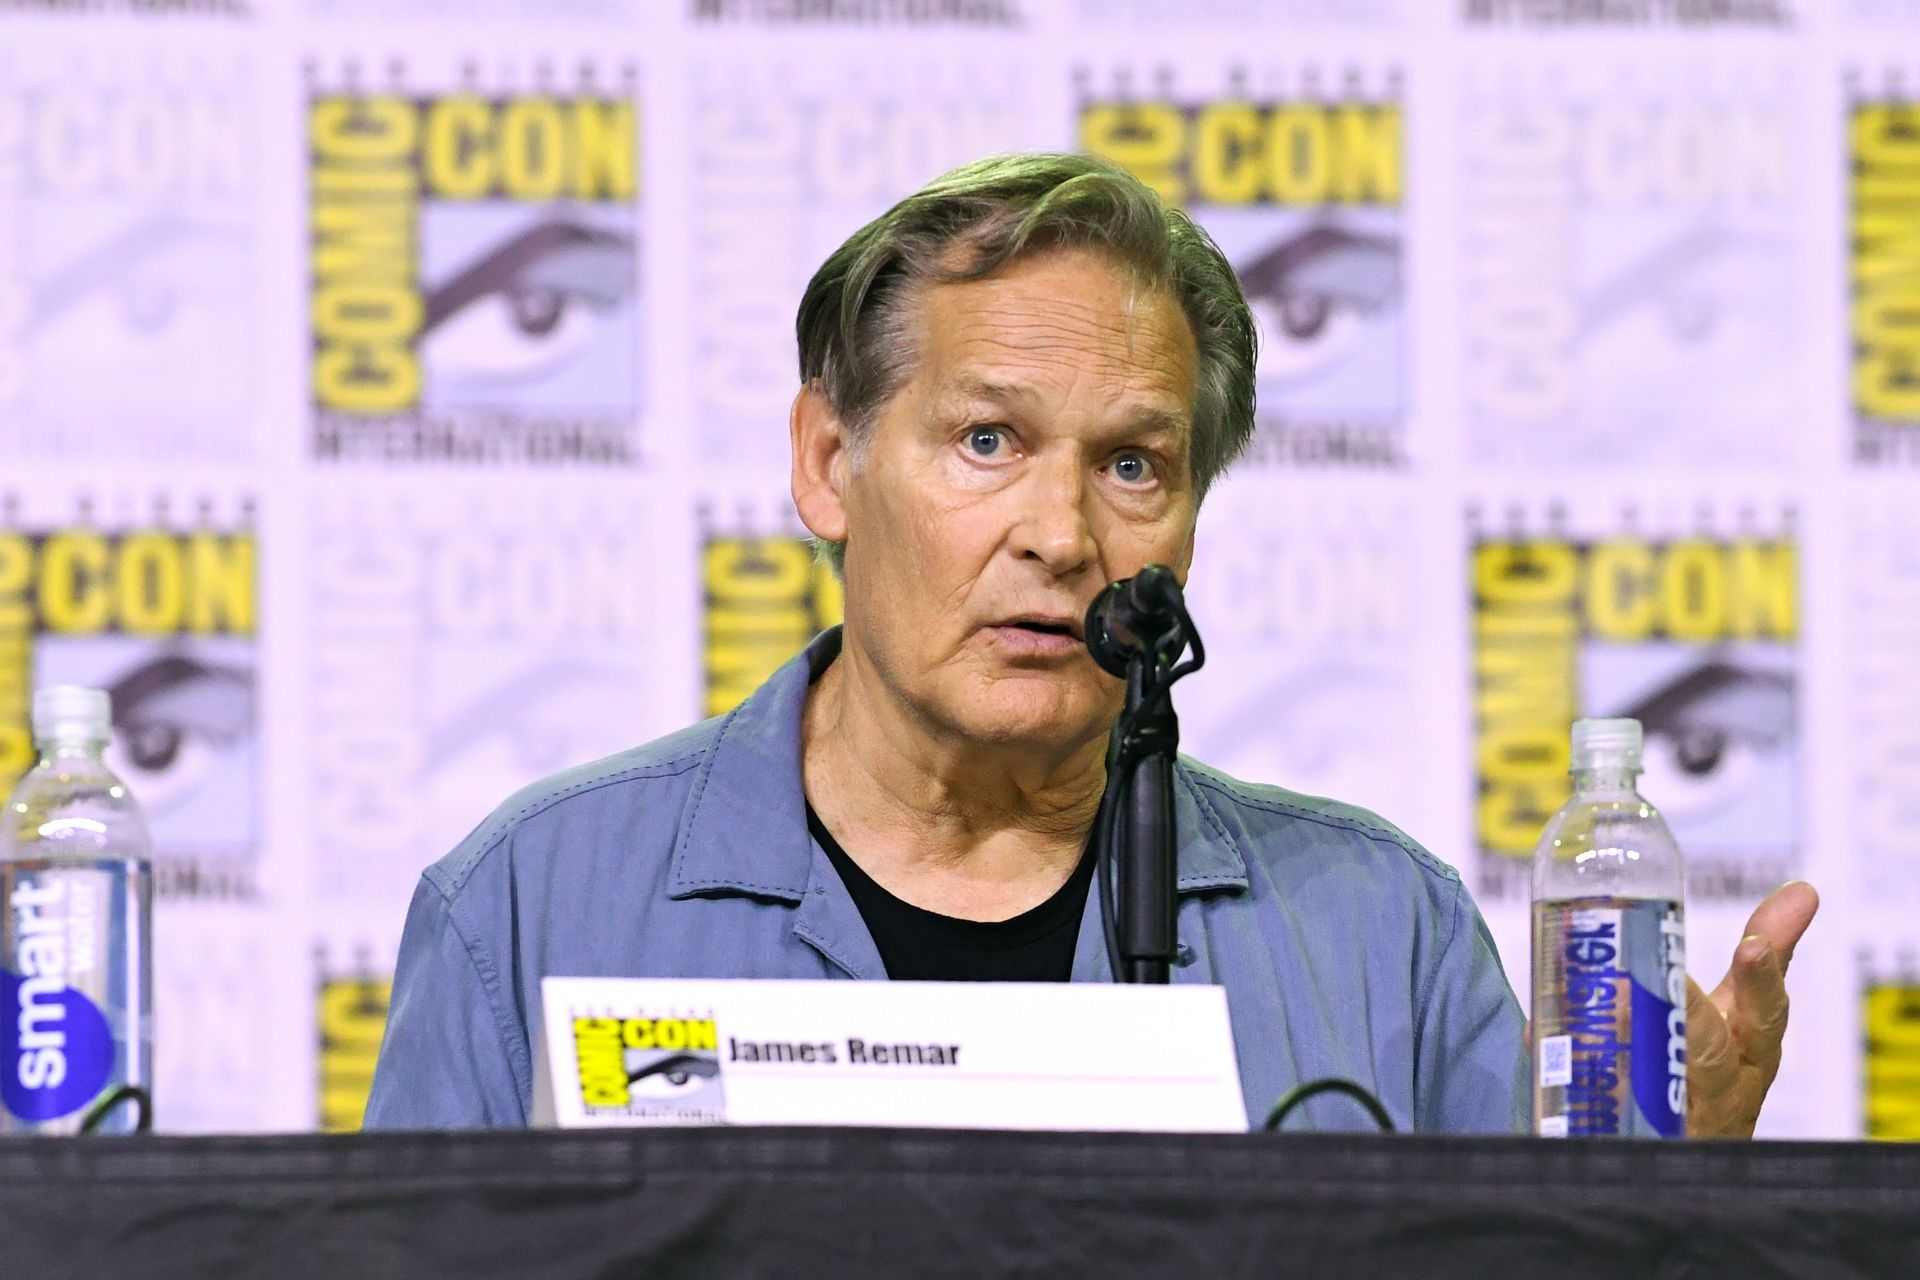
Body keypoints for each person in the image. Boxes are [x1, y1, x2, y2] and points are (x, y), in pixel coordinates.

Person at [364, 152, 1817, 1134]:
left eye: (1133, 464)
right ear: (827, 463)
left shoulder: (1383, 934)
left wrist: (1662, 1200)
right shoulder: (531, 909)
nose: (1062, 534)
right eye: (986, 439)